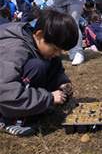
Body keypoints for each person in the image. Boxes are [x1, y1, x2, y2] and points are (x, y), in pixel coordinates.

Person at [0, 9, 78, 137]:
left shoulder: (36, 43)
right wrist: (49, 97)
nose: (57, 53)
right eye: (55, 49)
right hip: (5, 99)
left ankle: (35, 109)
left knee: (52, 60)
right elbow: (5, 92)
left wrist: (63, 83)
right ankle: (10, 121)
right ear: (40, 34)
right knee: (36, 66)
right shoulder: (14, 49)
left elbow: (56, 69)